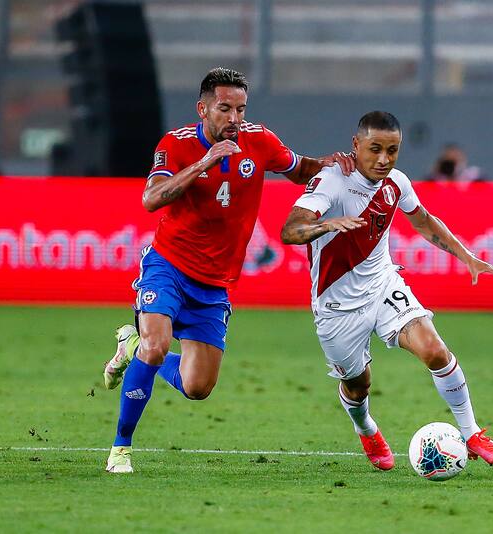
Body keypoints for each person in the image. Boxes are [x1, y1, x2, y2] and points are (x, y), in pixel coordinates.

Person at [101, 67, 355, 473]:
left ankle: (130, 347)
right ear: (203, 109)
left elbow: (298, 168)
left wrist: (335, 163)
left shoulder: (258, 139)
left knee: (197, 387)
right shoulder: (177, 144)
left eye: (240, 109)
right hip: (169, 265)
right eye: (225, 109)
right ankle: (120, 449)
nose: (234, 119)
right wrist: (205, 162)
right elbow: (151, 199)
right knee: (157, 345)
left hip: (215, 283)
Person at [280, 111, 493, 470]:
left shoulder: (397, 183)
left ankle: (472, 433)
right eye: (375, 149)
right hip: (336, 304)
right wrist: (328, 223)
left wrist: (467, 256)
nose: (384, 159)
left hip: (383, 285)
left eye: (393, 150)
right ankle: (367, 428)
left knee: (434, 350)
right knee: (358, 385)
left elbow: (422, 220)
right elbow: (290, 231)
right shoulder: (332, 182)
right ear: (356, 146)